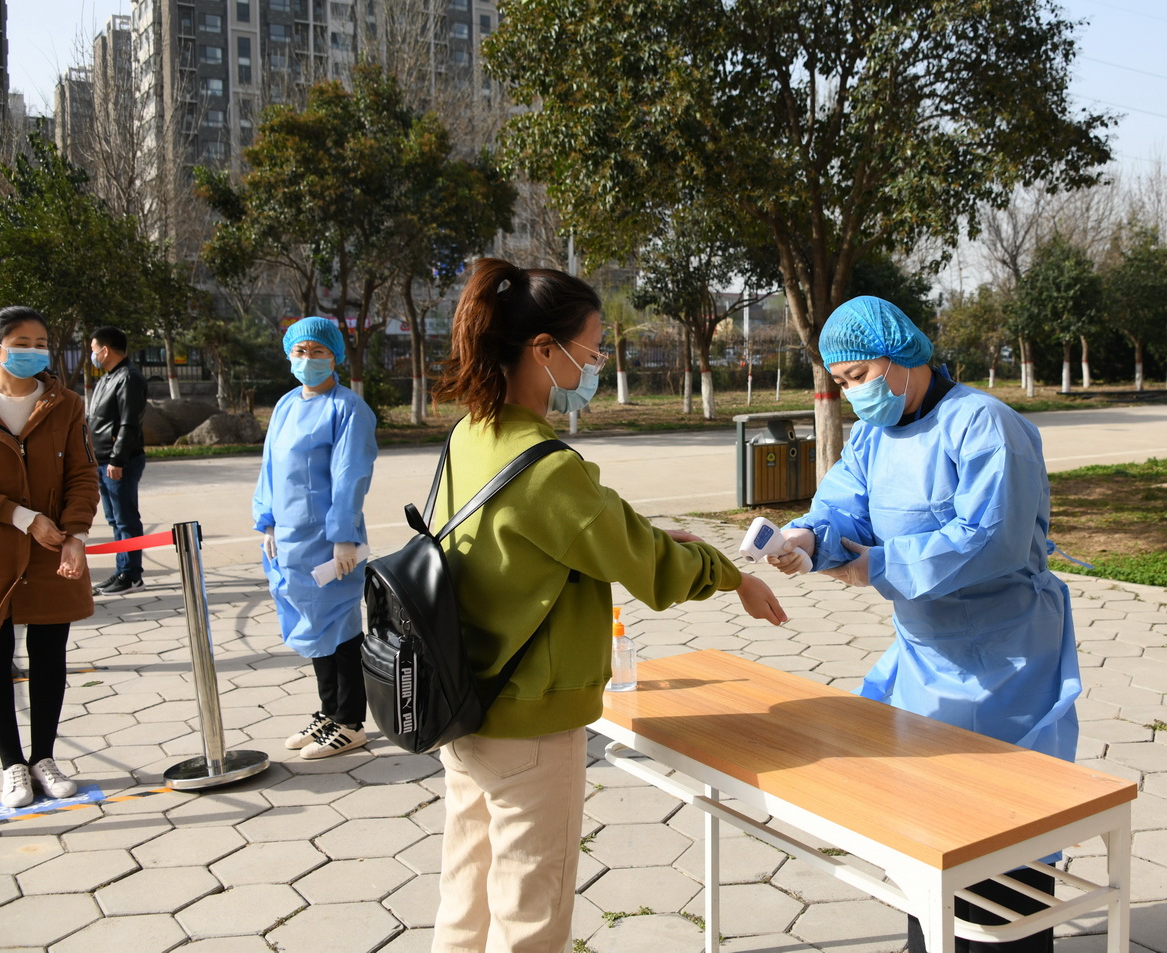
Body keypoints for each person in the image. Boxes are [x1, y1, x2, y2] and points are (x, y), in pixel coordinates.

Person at [428, 258, 787, 953]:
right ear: (543, 350)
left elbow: (574, 534)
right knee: (528, 920)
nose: (594, 367)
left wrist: (644, 537)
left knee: (465, 896)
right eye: (590, 353)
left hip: (464, 702)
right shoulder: (545, 465)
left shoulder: (469, 434)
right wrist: (730, 576)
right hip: (531, 725)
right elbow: (646, 566)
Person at [768, 295, 1080, 953]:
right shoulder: (873, 437)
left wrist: (878, 565)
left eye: (859, 376)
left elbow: (989, 536)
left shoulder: (984, 424)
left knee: (1006, 822)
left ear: (900, 356)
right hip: (926, 656)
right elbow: (845, 508)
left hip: (1007, 659)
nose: (853, 393)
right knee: (929, 824)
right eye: (841, 382)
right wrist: (807, 537)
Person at [0, 306, 100, 808]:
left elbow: (82, 475)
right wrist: (22, 517)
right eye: (21, 343)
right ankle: (12, 764)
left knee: (49, 656)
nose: (33, 351)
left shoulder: (66, 404)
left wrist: (75, 535)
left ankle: (44, 757)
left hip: (52, 548)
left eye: (41, 343)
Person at [252, 316, 377, 759]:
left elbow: (350, 475)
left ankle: (350, 721)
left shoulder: (348, 409)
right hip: (290, 540)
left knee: (341, 628)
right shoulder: (287, 405)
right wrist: (267, 520)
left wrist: (344, 536)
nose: (308, 359)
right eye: (300, 351)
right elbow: (270, 468)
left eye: (318, 351)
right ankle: (329, 712)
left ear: (335, 356)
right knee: (312, 626)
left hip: (330, 541)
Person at [87, 326, 148, 595]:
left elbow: (128, 424)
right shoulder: (107, 378)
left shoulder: (129, 378)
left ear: (105, 350)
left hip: (119, 461)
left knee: (126, 519)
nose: (92, 356)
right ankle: (122, 570)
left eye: (93, 350)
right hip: (102, 460)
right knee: (114, 519)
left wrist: (117, 460)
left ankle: (131, 575)